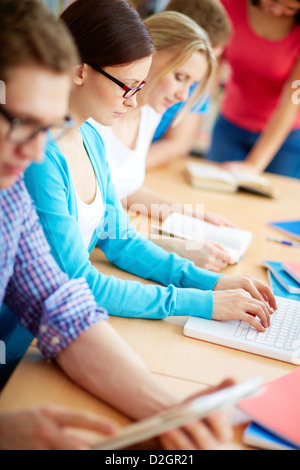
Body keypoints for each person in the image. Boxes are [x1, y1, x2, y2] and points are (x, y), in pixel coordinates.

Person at [0, 0, 234, 450]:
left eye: (45, 128)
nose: (33, 153)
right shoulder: (32, 169)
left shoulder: (11, 195)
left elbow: (61, 305)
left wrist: (168, 413)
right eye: (21, 124)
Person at [25, 0, 276, 330]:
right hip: (23, 338)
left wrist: (210, 283)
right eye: (126, 86)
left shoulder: (89, 138)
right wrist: (203, 302)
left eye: (138, 88)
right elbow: (81, 281)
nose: (132, 101)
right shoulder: (39, 157)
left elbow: (119, 239)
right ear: (79, 70)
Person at [91, 9, 235, 272]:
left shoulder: (149, 111)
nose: (182, 95)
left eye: (191, 84)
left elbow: (123, 189)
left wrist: (184, 215)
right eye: (180, 77)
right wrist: (164, 245)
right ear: (147, 53)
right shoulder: (96, 116)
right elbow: (86, 221)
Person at [205, 0, 300, 178]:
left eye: (291, 8)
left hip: (286, 138)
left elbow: (293, 99)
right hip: (230, 125)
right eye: (273, 0)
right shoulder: (230, 5)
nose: (276, 10)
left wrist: (254, 165)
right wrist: (192, 121)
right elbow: (212, 67)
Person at [148, 0, 232, 169]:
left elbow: (179, 142)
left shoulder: (196, 83)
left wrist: (129, 171)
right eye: (180, 76)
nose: (183, 95)